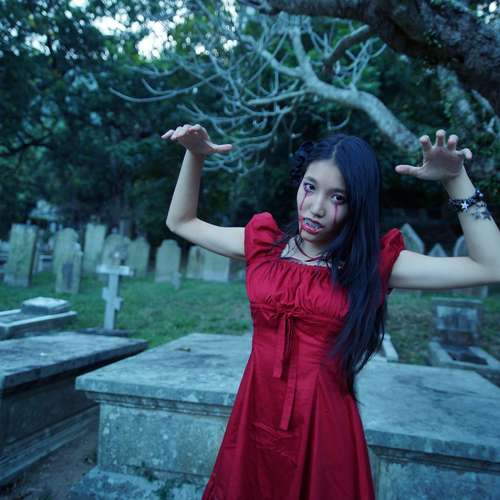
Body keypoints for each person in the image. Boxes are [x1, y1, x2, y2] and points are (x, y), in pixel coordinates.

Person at [163, 124, 500, 499]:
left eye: (337, 197)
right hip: (256, 412)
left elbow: (492, 266)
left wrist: (456, 179)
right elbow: (181, 222)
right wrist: (195, 155)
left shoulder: (371, 265)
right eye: (310, 187)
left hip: (324, 426)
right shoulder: (264, 246)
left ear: (357, 205)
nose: (316, 207)